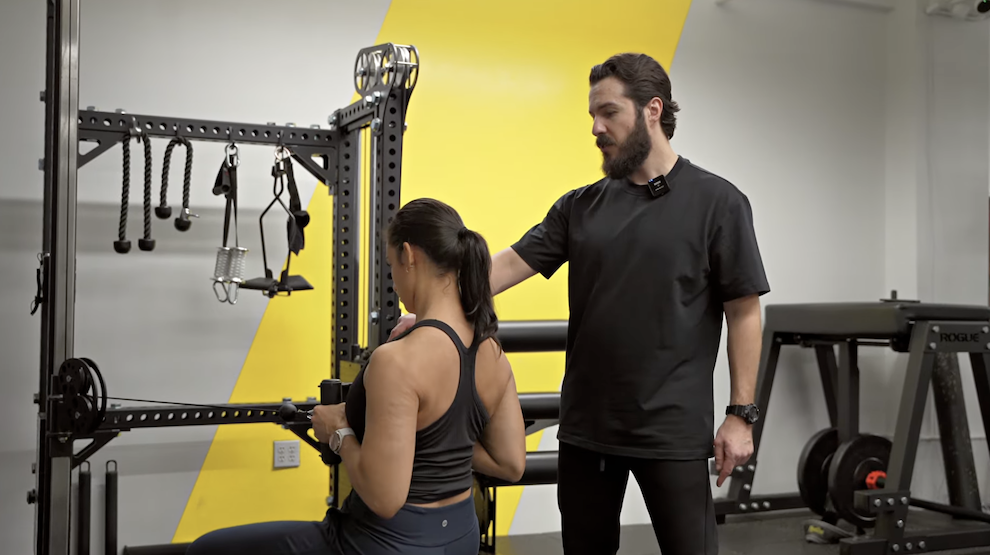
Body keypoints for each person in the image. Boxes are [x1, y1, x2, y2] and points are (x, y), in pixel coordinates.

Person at [390, 53, 769, 554]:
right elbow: (505, 266)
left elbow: (743, 311)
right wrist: (430, 314)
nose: (596, 127)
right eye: (592, 114)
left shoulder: (718, 203)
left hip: (671, 433)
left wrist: (740, 415)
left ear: (652, 110)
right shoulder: (581, 206)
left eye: (609, 112)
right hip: (588, 432)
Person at [186, 198, 527, 555]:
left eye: (391, 264)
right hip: (461, 538)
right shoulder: (492, 352)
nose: (393, 281)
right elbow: (510, 463)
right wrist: (435, 444)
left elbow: (384, 498)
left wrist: (339, 433)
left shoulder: (396, 361)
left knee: (206, 550)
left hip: (384, 543)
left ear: (409, 256)